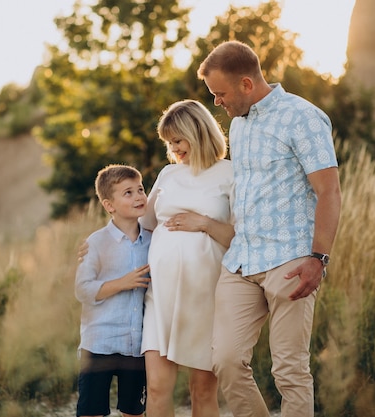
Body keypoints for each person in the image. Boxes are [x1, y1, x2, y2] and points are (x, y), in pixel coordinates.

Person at [197, 40, 342, 417]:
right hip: (242, 261)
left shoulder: (303, 117)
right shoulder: (239, 125)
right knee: (225, 360)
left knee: (289, 370)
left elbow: (328, 191)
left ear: (246, 84)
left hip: (290, 261)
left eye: (220, 94)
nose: (218, 103)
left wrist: (318, 258)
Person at [139, 99, 235, 417]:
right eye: (169, 143)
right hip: (161, 295)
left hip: (207, 297)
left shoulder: (230, 173)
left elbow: (242, 239)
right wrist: (99, 244)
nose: (174, 149)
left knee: (203, 390)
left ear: (198, 132)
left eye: (178, 140)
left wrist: (204, 223)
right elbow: (142, 226)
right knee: (156, 388)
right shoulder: (167, 175)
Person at [74, 164, 152, 417]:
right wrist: (123, 282)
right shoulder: (95, 242)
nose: (139, 196)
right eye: (128, 193)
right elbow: (82, 290)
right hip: (99, 343)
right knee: (92, 412)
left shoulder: (154, 240)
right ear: (109, 205)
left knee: (133, 411)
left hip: (136, 344)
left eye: (140, 189)